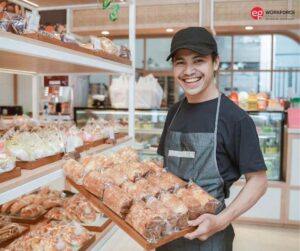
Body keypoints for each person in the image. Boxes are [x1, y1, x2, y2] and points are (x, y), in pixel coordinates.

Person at [157, 27, 268, 251]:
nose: (188, 71)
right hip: (165, 232)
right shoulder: (174, 112)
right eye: (180, 62)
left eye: (198, 60)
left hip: (209, 238)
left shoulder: (235, 119)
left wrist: (221, 220)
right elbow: (163, 166)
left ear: (215, 63)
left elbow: (258, 181)